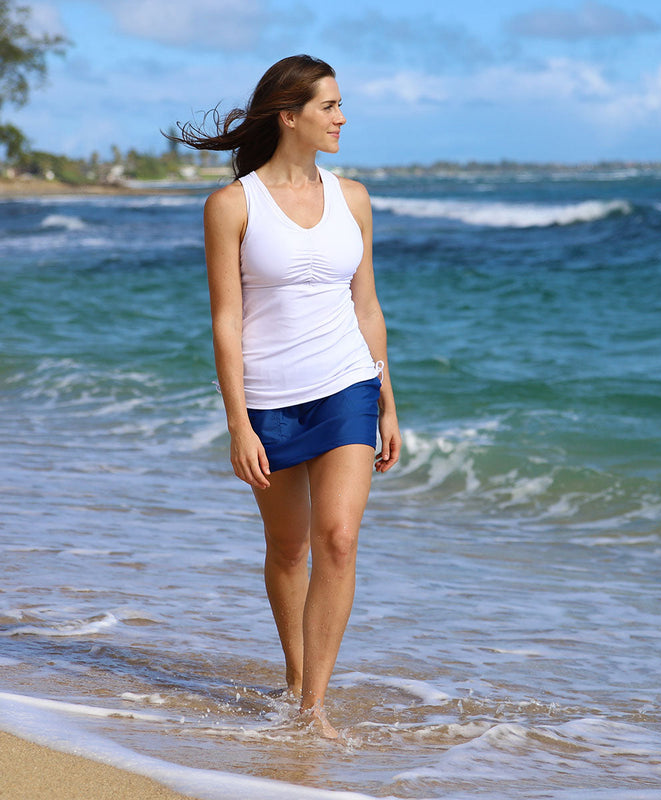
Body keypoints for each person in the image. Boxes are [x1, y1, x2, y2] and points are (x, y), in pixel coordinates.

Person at [176, 54, 401, 738]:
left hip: (347, 387)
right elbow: (225, 320)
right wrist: (238, 423)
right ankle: (297, 674)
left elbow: (367, 306)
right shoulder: (231, 206)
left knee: (337, 539)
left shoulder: (354, 197)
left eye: (339, 105)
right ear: (290, 116)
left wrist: (389, 401)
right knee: (288, 548)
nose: (341, 117)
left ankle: (314, 708)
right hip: (270, 398)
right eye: (329, 106)